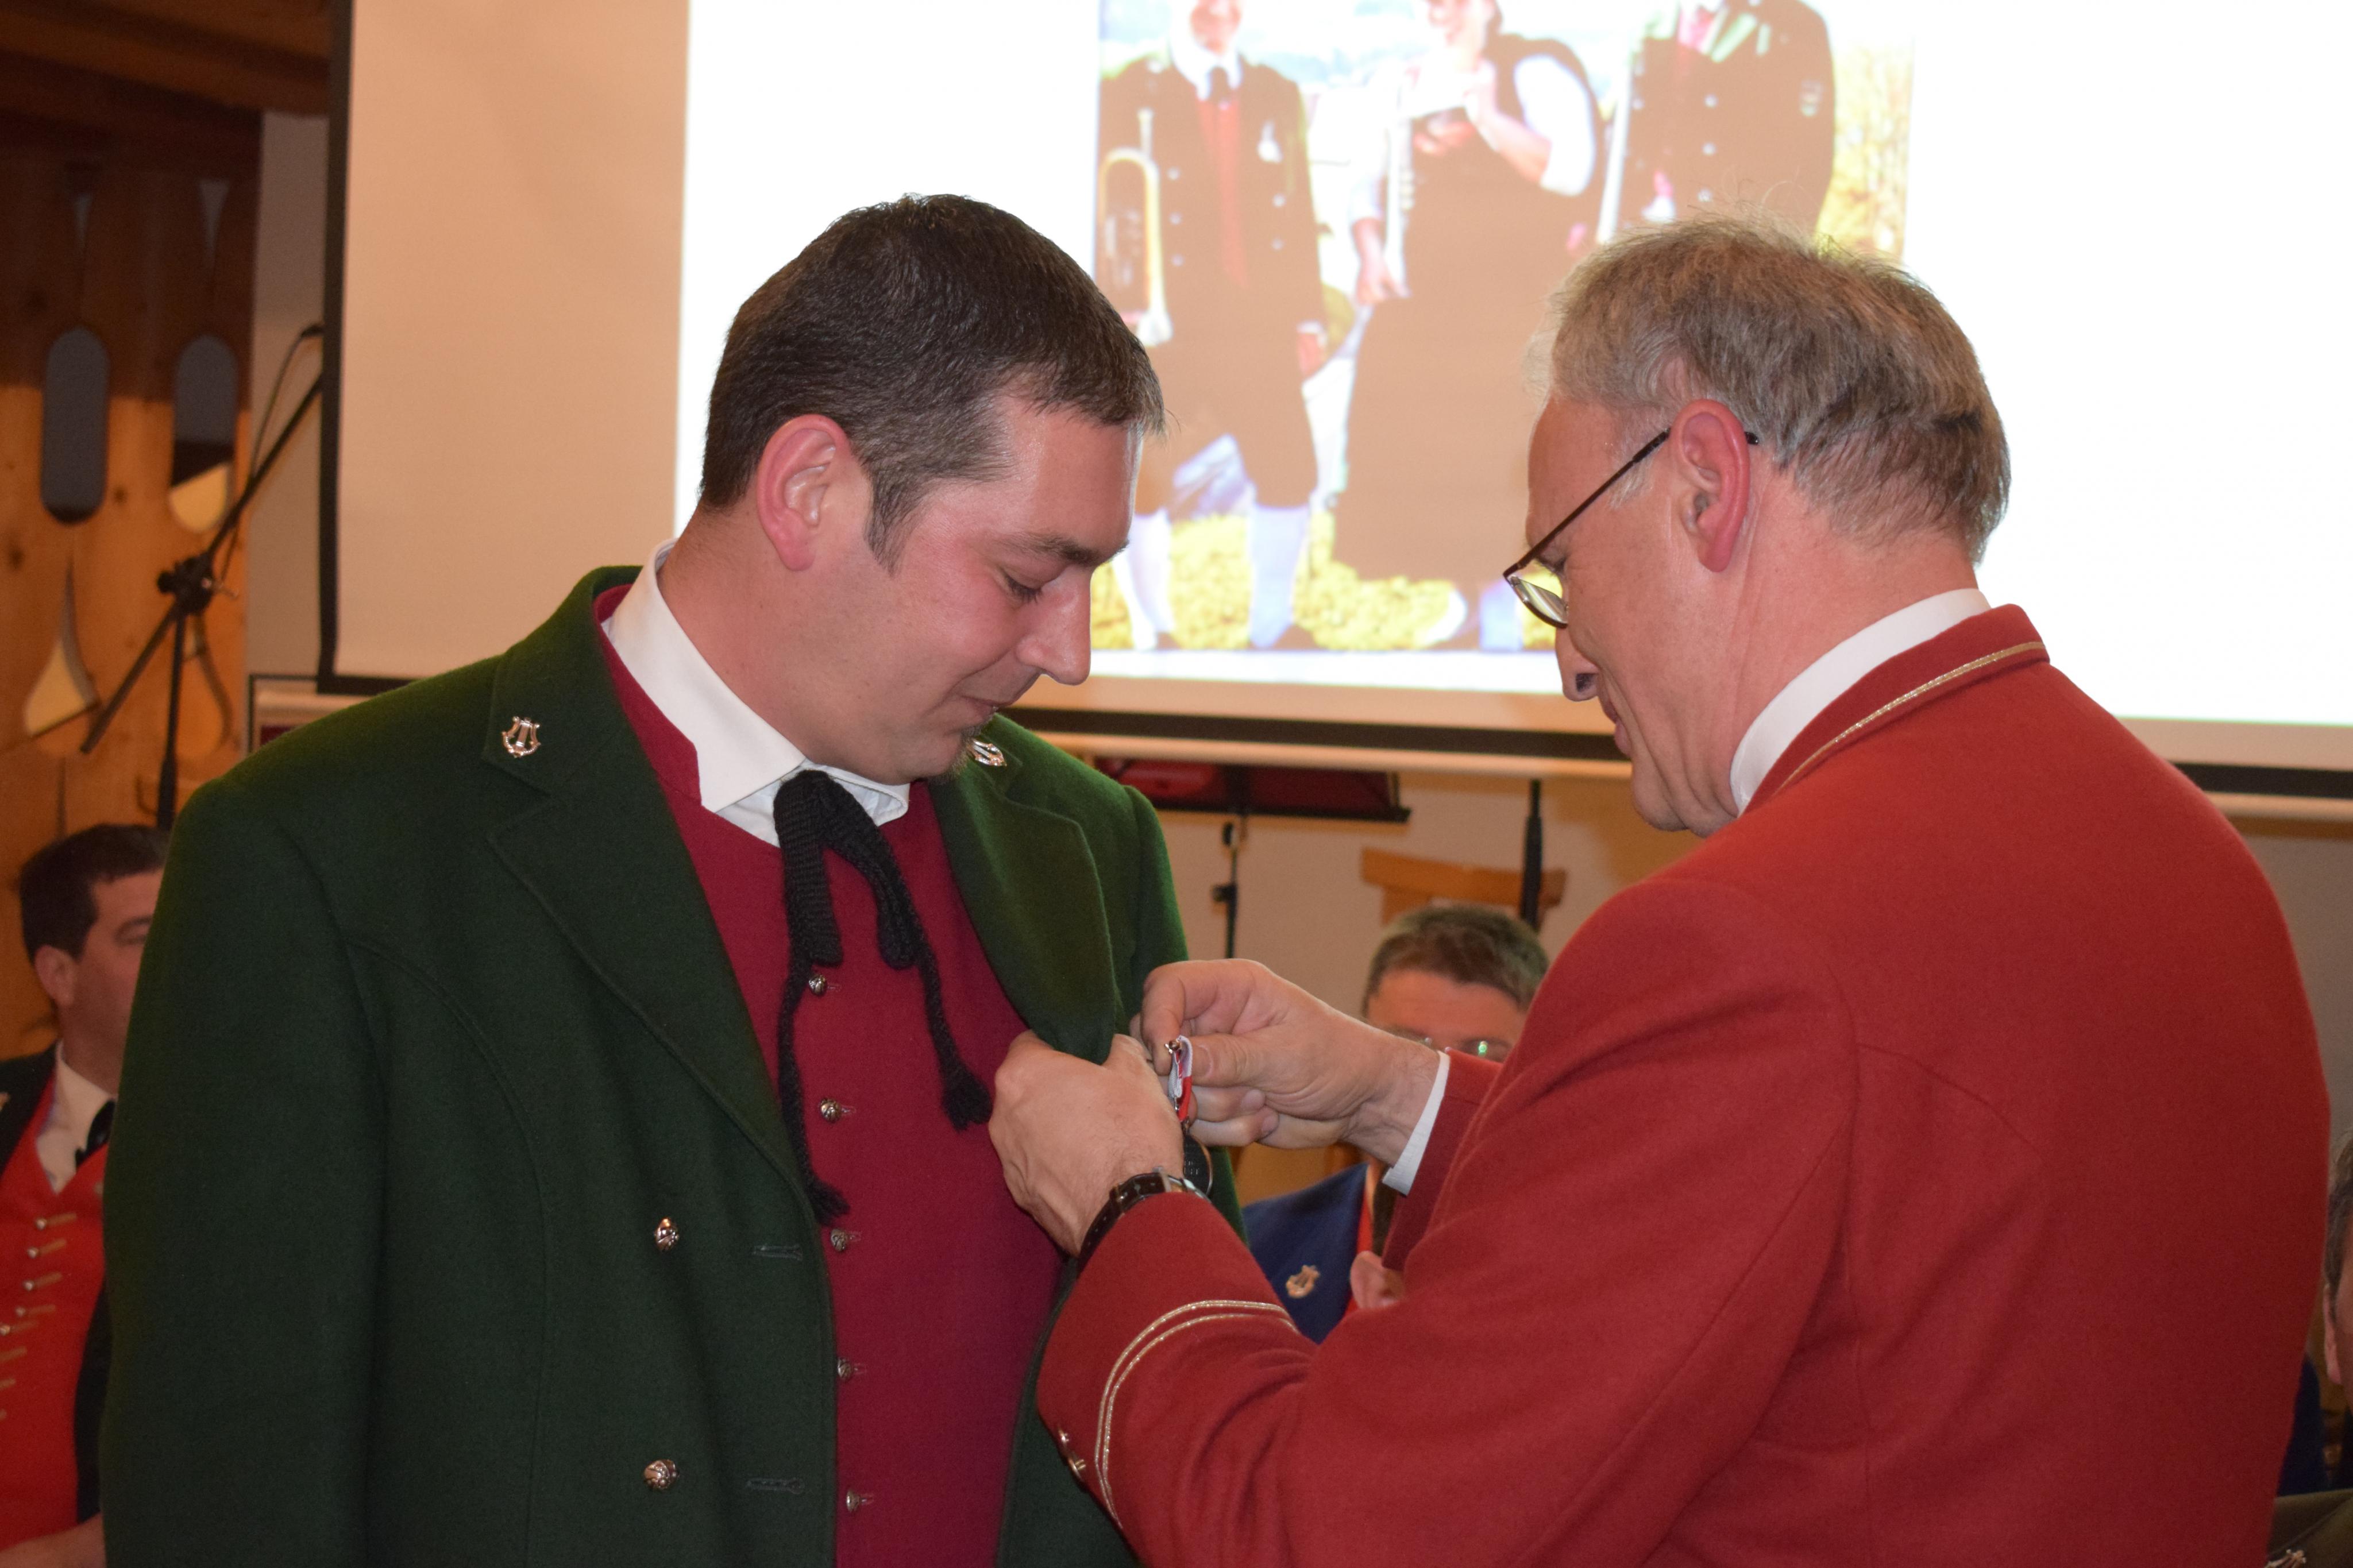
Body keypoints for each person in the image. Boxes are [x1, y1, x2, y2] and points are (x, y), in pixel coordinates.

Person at [988, 214, 2325, 1563]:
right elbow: (1877, 1207)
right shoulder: (2195, 865)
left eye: (1562, 570)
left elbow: (1324, 1536)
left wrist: (1130, 1206)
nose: (1569, 663)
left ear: (1704, 486)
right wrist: (1397, 1095)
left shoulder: (1749, 938)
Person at [105, 196, 1237, 1567]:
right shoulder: (331, 853)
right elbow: (227, 1478)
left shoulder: (1090, 846)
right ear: (807, 489)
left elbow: (1180, 1409)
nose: (1071, 653)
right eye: (1024, 576)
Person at [1337, 0, 1602, 648]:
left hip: (1509, 312)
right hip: (1427, 311)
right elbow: (1364, 185)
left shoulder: (1535, 71)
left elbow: (1571, 173)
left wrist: (1488, 117)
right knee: (1433, 465)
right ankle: (1468, 607)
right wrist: (1370, 255)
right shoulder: (1399, 83)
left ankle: (1505, 617)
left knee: (1497, 466)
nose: (1443, 13)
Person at [1098, 0, 1326, 650]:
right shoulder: (1128, 88)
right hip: (1161, 321)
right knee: (1142, 473)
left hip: (1258, 318)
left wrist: (1308, 313)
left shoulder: (1275, 90)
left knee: (1288, 467)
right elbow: (1109, 206)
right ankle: (1152, 629)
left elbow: (1297, 204)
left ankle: (1272, 624)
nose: (1218, 11)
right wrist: (1117, 303)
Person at [1242, 903, 1544, 1339]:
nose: (1437, 1089)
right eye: (1405, 1049)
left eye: (1480, 1058)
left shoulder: (1568, 1272)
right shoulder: (1255, 1249)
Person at [0, 824, 165, 1568]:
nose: (181, 960)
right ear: (58, 974)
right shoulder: (10, 1105)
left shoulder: (243, 1144)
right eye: (144, 938)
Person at [1617, 0, 1837, 236]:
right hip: (1639, 228)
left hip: (1730, 239)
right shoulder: (1651, 21)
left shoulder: (1794, 27)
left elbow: (1809, 157)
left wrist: (1774, 252)